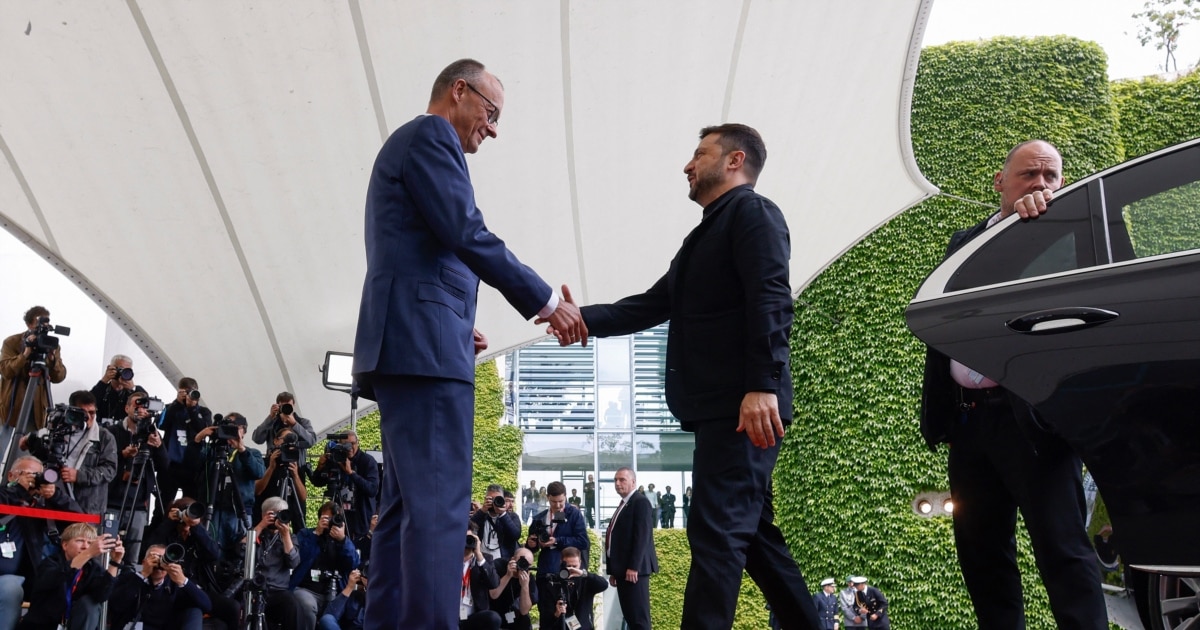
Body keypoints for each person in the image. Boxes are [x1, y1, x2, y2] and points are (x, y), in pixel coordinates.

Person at [348, 57, 586, 630]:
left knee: (403, 509)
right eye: (491, 111)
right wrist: (545, 302)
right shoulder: (432, 136)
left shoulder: (410, 145)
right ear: (459, 90)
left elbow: (418, 249)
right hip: (425, 353)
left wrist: (456, 321)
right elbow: (465, 230)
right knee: (438, 510)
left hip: (415, 342)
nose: (493, 128)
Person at [554, 124, 822, 629]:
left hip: (743, 407)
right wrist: (579, 317)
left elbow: (771, 298)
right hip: (723, 409)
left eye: (700, 154)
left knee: (716, 532)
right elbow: (650, 304)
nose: (688, 165)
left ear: (734, 160)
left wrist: (762, 385)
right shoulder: (704, 235)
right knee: (754, 538)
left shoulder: (754, 214)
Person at [918, 139, 1106, 630]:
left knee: (1063, 551)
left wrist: (1031, 231)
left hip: (1037, 423)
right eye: (1029, 174)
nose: (1041, 184)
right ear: (1000, 181)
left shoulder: (1070, 236)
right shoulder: (963, 242)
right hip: (968, 422)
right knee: (982, 557)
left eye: (1051, 176)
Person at [0, 456, 83, 628]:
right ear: (10, 476)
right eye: (27, 474)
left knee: (51, 587)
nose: (33, 480)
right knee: (10, 588)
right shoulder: (4, 495)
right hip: (5, 577)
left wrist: (56, 496)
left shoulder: (43, 507)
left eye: (37, 475)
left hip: (32, 578)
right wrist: (18, 490)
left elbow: (80, 525)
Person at [105, 390, 168, 564]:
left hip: (138, 504)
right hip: (112, 502)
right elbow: (103, 462)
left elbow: (164, 466)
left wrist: (159, 446)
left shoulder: (152, 432)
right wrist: (123, 455)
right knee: (106, 552)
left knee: (132, 556)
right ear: (126, 408)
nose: (141, 410)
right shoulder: (111, 432)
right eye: (136, 405)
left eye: (145, 406)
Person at [20, 522, 121, 630]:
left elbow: (102, 596)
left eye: (90, 543)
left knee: (90, 604)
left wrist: (115, 562)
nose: (85, 546)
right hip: (43, 626)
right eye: (80, 541)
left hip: (74, 624)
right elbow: (59, 575)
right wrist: (88, 553)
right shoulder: (50, 563)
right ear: (65, 545)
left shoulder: (92, 567)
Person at [194, 412, 265, 553]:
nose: (231, 430)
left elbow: (258, 473)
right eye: (227, 426)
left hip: (240, 511)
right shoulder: (212, 452)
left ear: (243, 431)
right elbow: (192, 465)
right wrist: (198, 439)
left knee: (241, 552)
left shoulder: (252, 453)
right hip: (214, 510)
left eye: (235, 427)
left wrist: (242, 450)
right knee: (211, 550)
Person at [0, 306, 67, 443]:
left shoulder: (51, 345)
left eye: (46, 322)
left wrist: (52, 359)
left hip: (35, 409)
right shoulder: (12, 342)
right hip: (10, 407)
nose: (43, 326)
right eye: (39, 322)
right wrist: (25, 354)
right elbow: (6, 371)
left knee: (27, 449)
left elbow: (59, 377)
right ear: (29, 324)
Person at [46, 390, 117, 518]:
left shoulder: (105, 437)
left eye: (92, 413)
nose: (88, 417)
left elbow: (109, 470)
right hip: (57, 500)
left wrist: (79, 475)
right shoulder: (59, 431)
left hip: (89, 507)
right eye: (83, 413)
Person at [108, 543, 212, 630]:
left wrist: (183, 581)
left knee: (195, 610)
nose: (159, 563)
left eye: (164, 559)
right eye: (154, 557)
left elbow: (206, 606)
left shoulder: (174, 585)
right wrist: (142, 575)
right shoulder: (129, 578)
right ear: (144, 562)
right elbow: (115, 605)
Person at [291, 502, 359, 629]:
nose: (331, 522)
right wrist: (316, 534)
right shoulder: (306, 534)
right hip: (306, 590)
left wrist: (342, 540)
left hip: (336, 592)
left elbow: (353, 563)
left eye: (334, 519)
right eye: (327, 518)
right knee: (307, 605)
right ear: (319, 518)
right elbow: (298, 558)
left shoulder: (343, 541)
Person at [604, 467, 657, 630]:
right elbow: (616, 538)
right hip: (623, 571)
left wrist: (634, 567)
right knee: (630, 617)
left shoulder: (640, 502)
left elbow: (642, 537)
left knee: (639, 619)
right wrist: (614, 571)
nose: (617, 483)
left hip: (634, 572)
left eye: (622, 480)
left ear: (633, 482)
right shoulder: (624, 504)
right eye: (615, 480)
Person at [155, 377, 211, 509]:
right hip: (170, 464)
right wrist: (177, 404)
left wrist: (192, 409)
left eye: (192, 392)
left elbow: (203, 429)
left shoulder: (204, 412)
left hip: (193, 466)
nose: (189, 396)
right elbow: (161, 425)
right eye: (185, 392)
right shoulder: (170, 408)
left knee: (191, 505)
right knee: (163, 505)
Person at [250, 497, 305, 629]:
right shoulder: (255, 533)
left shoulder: (290, 538)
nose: (277, 519)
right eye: (273, 514)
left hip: (277, 592)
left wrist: (285, 535)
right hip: (254, 589)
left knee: (292, 603)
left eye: (281, 514)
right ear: (264, 514)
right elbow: (241, 550)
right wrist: (261, 526)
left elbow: (294, 563)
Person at [311, 431, 378, 539]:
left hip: (360, 519)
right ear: (339, 445)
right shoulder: (335, 459)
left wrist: (351, 473)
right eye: (346, 445)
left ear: (358, 443)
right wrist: (320, 467)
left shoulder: (367, 461)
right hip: (338, 516)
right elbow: (317, 482)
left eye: (353, 444)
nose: (349, 448)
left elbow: (372, 490)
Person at [255, 427, 308, 528]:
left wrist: (295, 475)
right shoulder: (263, 463)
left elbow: (303, 497)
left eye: (292, 440)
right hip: (268, 518)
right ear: (275, 441)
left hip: (291, 517)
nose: (288, 443)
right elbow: (257, 490)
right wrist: (271, 467)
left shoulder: (296, 466)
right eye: (286, 438)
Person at [548, 546, 607, 630]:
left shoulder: (586, 581)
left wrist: (584, 574)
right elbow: (547, 616)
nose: (571, 569)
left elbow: (604, 585)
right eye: (568, 566)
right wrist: (557, 614)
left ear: (580, 562)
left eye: (574, 566)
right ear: (561, 563)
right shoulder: (555, 582)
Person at [460, 528, 501, 629]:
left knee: (493, 618)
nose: (466, 542)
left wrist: (478, 554)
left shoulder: (484, 559)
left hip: (472, 616)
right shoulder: (448, 559)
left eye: (469, 538)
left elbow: (494, 583)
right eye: (462, 538)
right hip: (450, 615)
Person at [487, 548, 537, 630]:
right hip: (493, 609)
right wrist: (508, 575)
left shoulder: (528, 578)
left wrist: (525, 586)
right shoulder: (498, 565)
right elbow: (493, 595)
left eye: (527, 565)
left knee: (525, 620)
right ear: (512, 559)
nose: (523, 566)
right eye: (521, 561)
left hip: (512, 613)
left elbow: (524, 611)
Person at [88, 354, 145, 424]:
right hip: (101, 428)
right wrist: (104, 380)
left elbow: (146, 403)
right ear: (110, 368)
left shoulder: (134, 391)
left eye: (126, 371)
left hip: (125, 429)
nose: (123, 373)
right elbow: (88, 402)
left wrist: (133, 388)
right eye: (120, 369)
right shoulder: (103, 388)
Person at [470, 484, 520, 562]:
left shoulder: (512, 516)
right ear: (485, 499)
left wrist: (503, 514)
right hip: (482, 561)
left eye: (497, 499)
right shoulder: (482, 515)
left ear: (503, 500)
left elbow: (515, 535)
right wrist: (482, 511)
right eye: (491, 499)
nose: (494, 502)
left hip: (503, 562)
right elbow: (469, 528)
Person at [252, 391, 318, 450]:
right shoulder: (271, 424)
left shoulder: (303, 422)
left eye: (289, 405)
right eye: (283, 406)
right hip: (275, 459)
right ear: (278, 406)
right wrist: (270, 417)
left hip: (296, 459)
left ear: (294, 404)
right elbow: (257, 439)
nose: (286, 408)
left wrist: (295, 424)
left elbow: (312, 441)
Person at [319, 563, 369, 630]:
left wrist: (373, 587)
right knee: (327, 620)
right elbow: (328, 616)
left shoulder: (382, 600)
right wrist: (349, 587)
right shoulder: (354, 596)